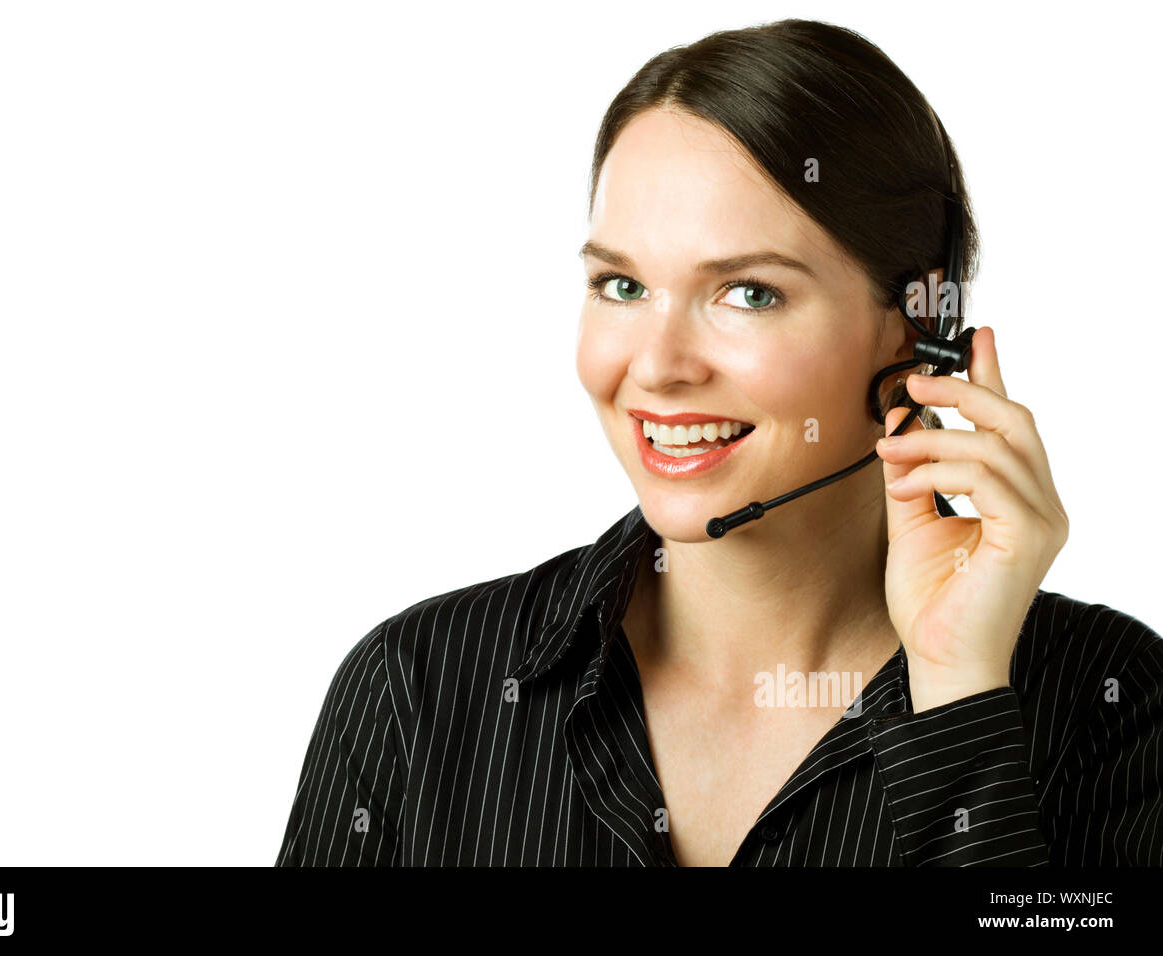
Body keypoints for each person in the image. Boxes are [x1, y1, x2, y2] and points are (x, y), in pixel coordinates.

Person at [276, 18, 1163, 866]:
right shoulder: (418, 690)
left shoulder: (1112, 706)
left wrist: (959, 695)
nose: (656, 367)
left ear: (914, 329)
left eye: (747, 293)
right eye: (621, 285)